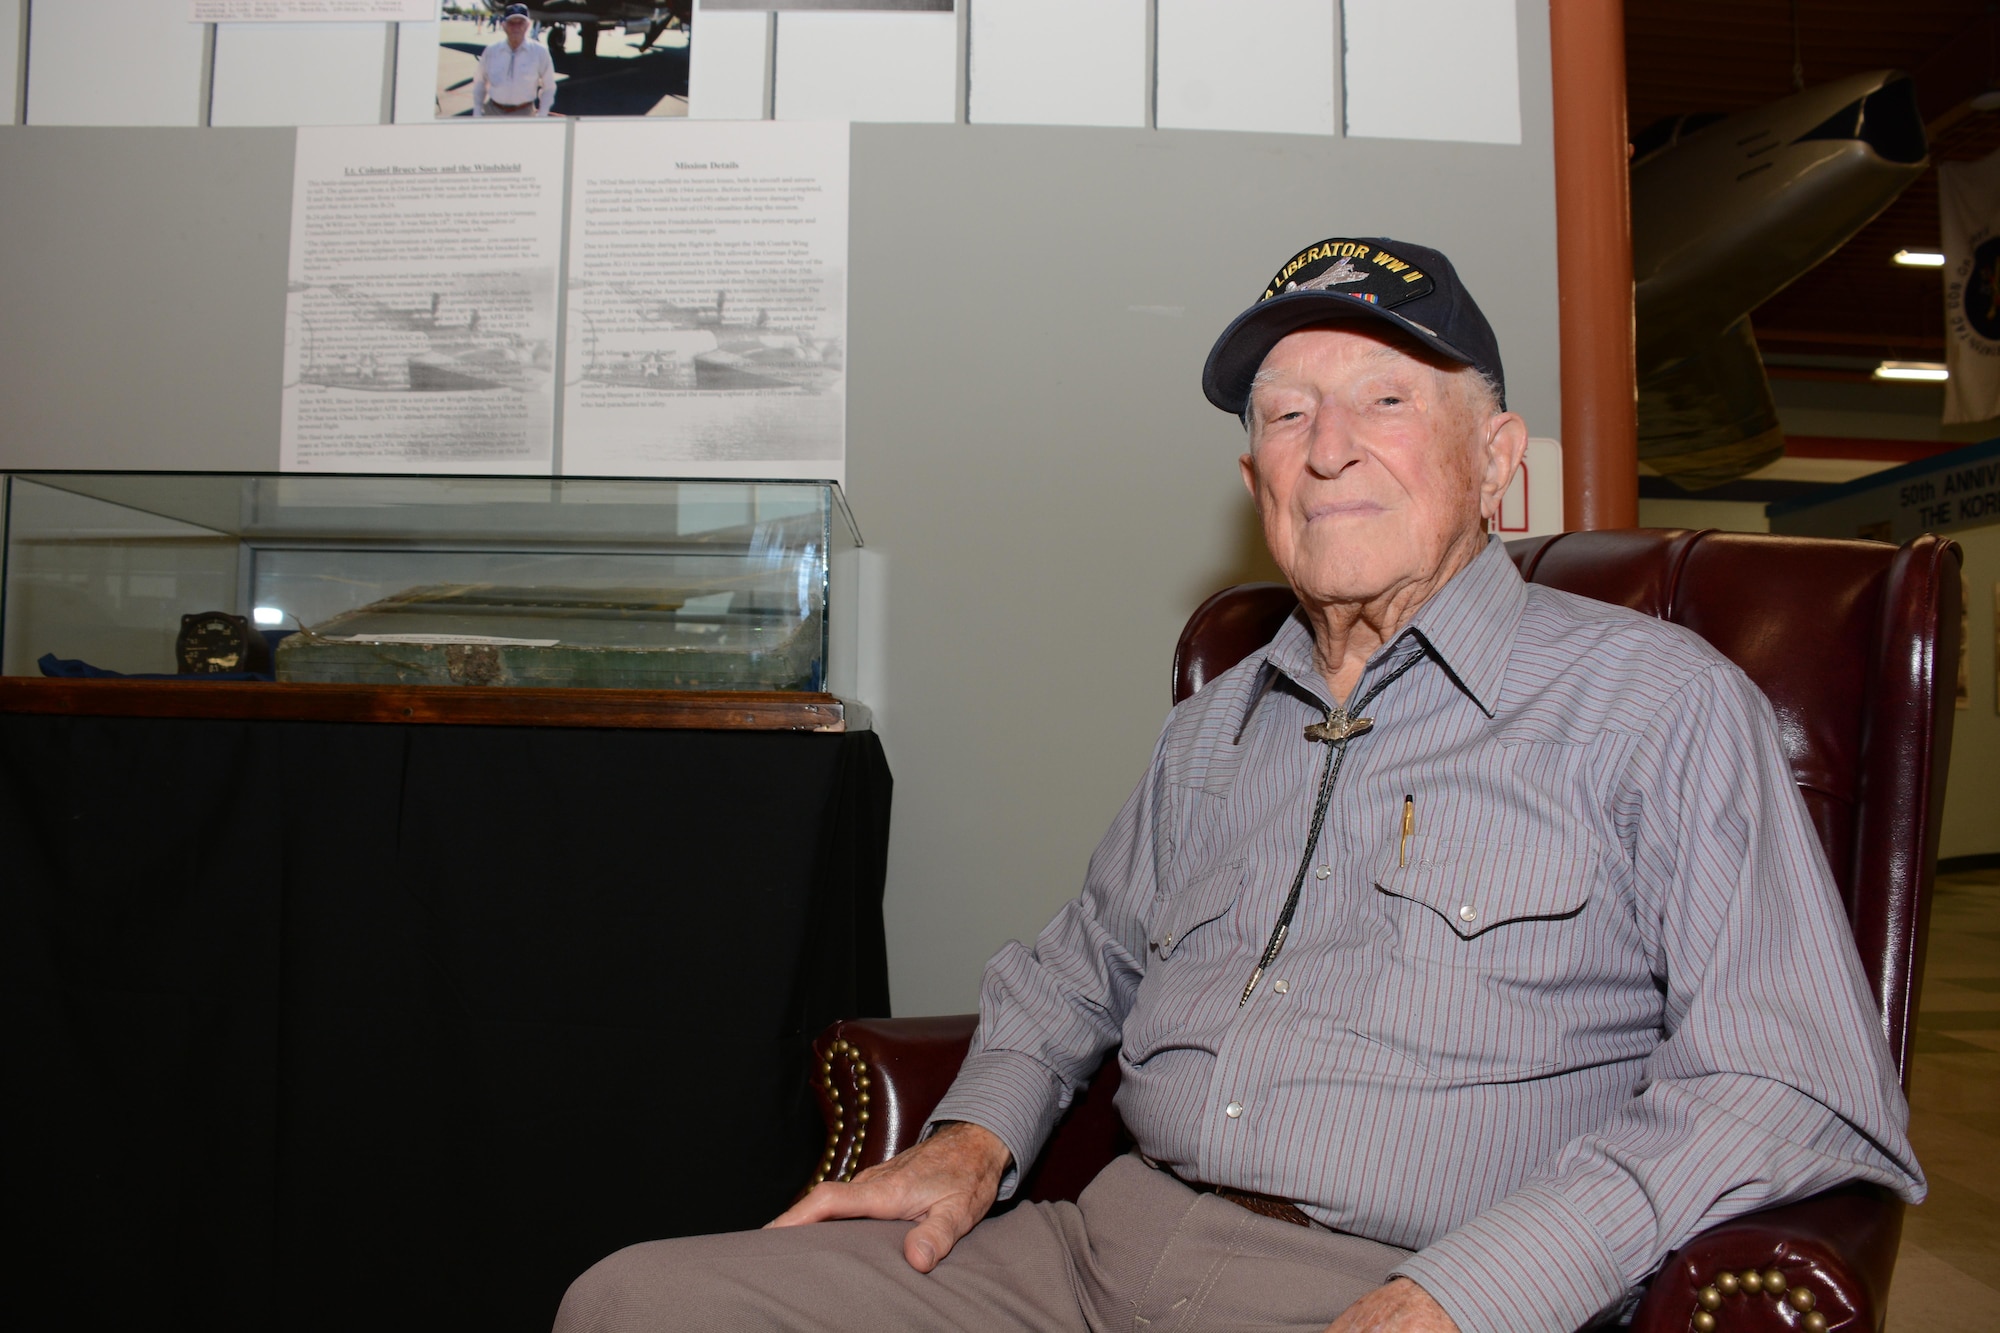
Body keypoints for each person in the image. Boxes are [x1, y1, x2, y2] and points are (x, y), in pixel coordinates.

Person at [553, 237, 1924, 1333]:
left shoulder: (1656, 703)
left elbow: (1785, 1079)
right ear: (1253, 471)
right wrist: (971, 1138)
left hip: (1404, 1282)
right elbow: (1074, 970)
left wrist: (1479, 1290)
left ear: (1496, 463)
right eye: (1288, 413)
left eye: (1387, 400)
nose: (1330, 447)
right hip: (1091, 1255)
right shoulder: (1213, 731)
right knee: (635, 1301)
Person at [472, 5, 555, 119]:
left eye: (520, 22)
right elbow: (479, 81)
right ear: (503, 25)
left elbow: (549, 87)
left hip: (524, 113)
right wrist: (477, 110)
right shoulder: (491, 50)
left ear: (528, 25)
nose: (516, 27)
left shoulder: (540, 52)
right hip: (493, 111)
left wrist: (542, 114)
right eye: (511, 23)